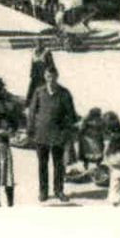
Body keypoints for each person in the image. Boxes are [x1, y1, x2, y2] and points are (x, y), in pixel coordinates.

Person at [26, 64, 78, 203]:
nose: (51, 79)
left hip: (58, 135)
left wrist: (67, 130)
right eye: (48, 76)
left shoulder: (64, 93)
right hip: (41, 134)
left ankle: (59, 190)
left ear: (57, 76)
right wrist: (30, 130)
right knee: (42, 164)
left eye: (53, 76)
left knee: (58, 165)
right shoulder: (38, 92)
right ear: (45, 77)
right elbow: (31, 112)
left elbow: (71, 115)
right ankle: (43, 192)